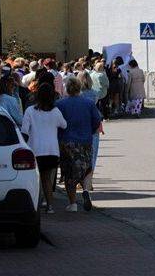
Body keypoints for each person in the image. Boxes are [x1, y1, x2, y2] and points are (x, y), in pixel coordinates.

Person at [56, 77, 102, 212]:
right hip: (85, 140)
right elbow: (97, 120)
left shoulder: (60, 104)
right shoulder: (88, 103)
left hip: (67, 141)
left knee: (69, 172)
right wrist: (91, 131)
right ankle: (86, 190)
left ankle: (73, 203)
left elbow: (57, 123)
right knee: (87, 168)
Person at [21, 83, 67, 214]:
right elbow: (64, 125)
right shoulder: (56, 111)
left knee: (35, 180)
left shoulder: (30, 111)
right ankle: (50, 206)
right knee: (48, 180)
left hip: (34, 150)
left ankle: (36, 204)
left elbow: (24, 130)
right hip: (52, 151)